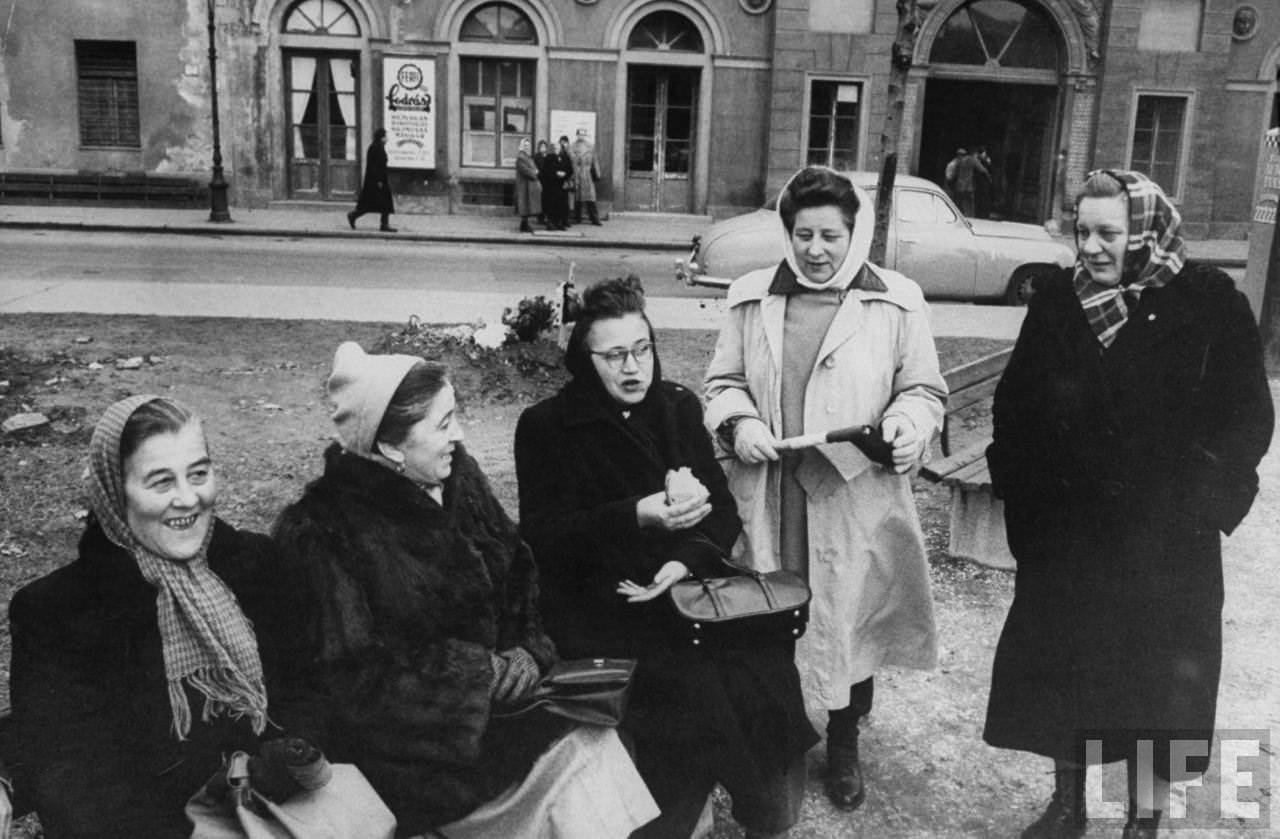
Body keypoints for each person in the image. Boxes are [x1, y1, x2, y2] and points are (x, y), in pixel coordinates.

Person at [983, 169, 1274, 839]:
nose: (1090, 246)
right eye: (1081, 230)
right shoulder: (1058, 298)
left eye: (1109, 232)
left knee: (1156, 683)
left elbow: (1247, 418)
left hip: (1165, 541)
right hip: (1069, 533)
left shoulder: (1209, 300)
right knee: (1066, 667)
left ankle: (1144, 817)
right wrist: (1025, 499)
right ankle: (1068, 805)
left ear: (1145, 229)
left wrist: (1203, 502)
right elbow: (1015, 404)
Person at [271, 342, 657, 839]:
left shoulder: (457, 479)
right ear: (390, 447)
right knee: (583, 759)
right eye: (442, 423)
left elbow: (519, 573)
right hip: (422, 760)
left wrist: (527, 652)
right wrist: (478, 678)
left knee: (593, 741)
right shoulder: (323, 532)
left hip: (507, 717)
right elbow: (353, 683)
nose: (459, 434)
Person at [515, 276, 818, 839]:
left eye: (642, 349)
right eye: (613, 356)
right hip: (601, 604)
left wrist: (681, 563)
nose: (632, 368)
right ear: (585, 361)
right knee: (695, 685)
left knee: (764, 661)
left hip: (685, 589)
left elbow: (723, 511)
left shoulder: (677, 407)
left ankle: (766, 814)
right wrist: (636, 515)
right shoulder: (546, 427)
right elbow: (541, 538)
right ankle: (710, 817)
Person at [703, 166, 946, 816]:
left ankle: (843, 739)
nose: (816, 249)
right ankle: (775, 735)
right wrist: (741, 420)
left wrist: (905, 424)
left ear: (854, 233)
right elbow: (721, 380)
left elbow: (922, 390)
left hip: (852, 495)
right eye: (804, 233)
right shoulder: (750, 297)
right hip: (774, 489)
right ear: (786, 232)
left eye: (830, 235)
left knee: (850, 613)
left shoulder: (896, 300)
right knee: (770, 611)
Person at [0, 395, 295, 838]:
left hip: (281, 811)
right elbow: (76, 782)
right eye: (161, 482)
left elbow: (309, 691)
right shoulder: (57, 613)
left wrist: (274, 771)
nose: (188, 498)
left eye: (199, 473)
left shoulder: (255, 566)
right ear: (114, 493)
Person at [348, 128, 396, 232]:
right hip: (376, 181)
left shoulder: (378, 146)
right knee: (374, 203)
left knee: (379, 203)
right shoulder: (375, 147)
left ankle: (383, 224)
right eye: (385, 136)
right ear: (381, 137)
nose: (387, 138)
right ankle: (353, 215)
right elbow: (374, 166)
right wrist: (379, 181)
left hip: (378, 179)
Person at [569, 128, 602, 226]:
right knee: (577, 198)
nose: (581, 137)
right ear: (577, 135)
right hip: (577, 173)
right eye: (580, 134)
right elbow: (571, 160)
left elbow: (595, 160)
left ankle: (594, 218)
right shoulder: (572, 146)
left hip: (587, 174)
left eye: (583, 135)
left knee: (591, 197)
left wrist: (598, 172)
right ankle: (577, 217)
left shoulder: (590, 146)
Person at [538, 136, 572, 231]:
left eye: (558, 148)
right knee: (551, 206)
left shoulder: (565, 157)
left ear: (561, 149)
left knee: (561, 206)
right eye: (555, 148)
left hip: (561, 186)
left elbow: (570, 169)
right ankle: (551, 223)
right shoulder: (549, 158)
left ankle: (559, 223)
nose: (557, 150)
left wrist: (565, 174)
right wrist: (555, 173)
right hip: (551, 187)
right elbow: (545, 171)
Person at [944, 147, 988, 217]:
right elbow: (983, 170)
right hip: (968, 187)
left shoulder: (957, 162)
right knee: (969, 206)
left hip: (959, 186)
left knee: (958, 204)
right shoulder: (972, 160)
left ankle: (959, 217)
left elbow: (953, 175)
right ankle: (970, 218)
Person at [515, 137, 542, 234]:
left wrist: (535, 171)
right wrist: (534, 173)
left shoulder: (527, 156)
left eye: (528, 145)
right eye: (525, 145)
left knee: (527, 205)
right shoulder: (521, 157)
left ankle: (524, 224)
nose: (527, 147)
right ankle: (524, 224)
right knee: (524, 205)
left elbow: (534, 168)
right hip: (524, 185)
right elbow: (525, 170)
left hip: (528, 185)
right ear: (522, 146)